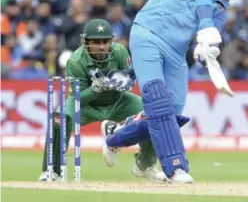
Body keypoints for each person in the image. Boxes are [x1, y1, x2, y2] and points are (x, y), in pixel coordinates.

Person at [100, 0, 248, 183]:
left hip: (176, 51)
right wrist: (205, 27)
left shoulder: (222, 8)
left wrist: (205, 53)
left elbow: (207, 41)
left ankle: (129, 150)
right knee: (158, 101)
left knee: (171, 114)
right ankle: (176, 167)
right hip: (148, 33)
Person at [39, 18, 165, 182]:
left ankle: (145, 165)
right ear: (85, 42)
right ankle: (52, 170)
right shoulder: (76, 61)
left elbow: (130, 81)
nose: (101, 46)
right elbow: (77, 97)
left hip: (117, 101)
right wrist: (95, 88)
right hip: (86, 105)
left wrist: (122, 82)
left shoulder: (119, 52)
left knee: (151, 111)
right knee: (59, 117)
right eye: (95, 42)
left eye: (105, 41)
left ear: (111, 41)